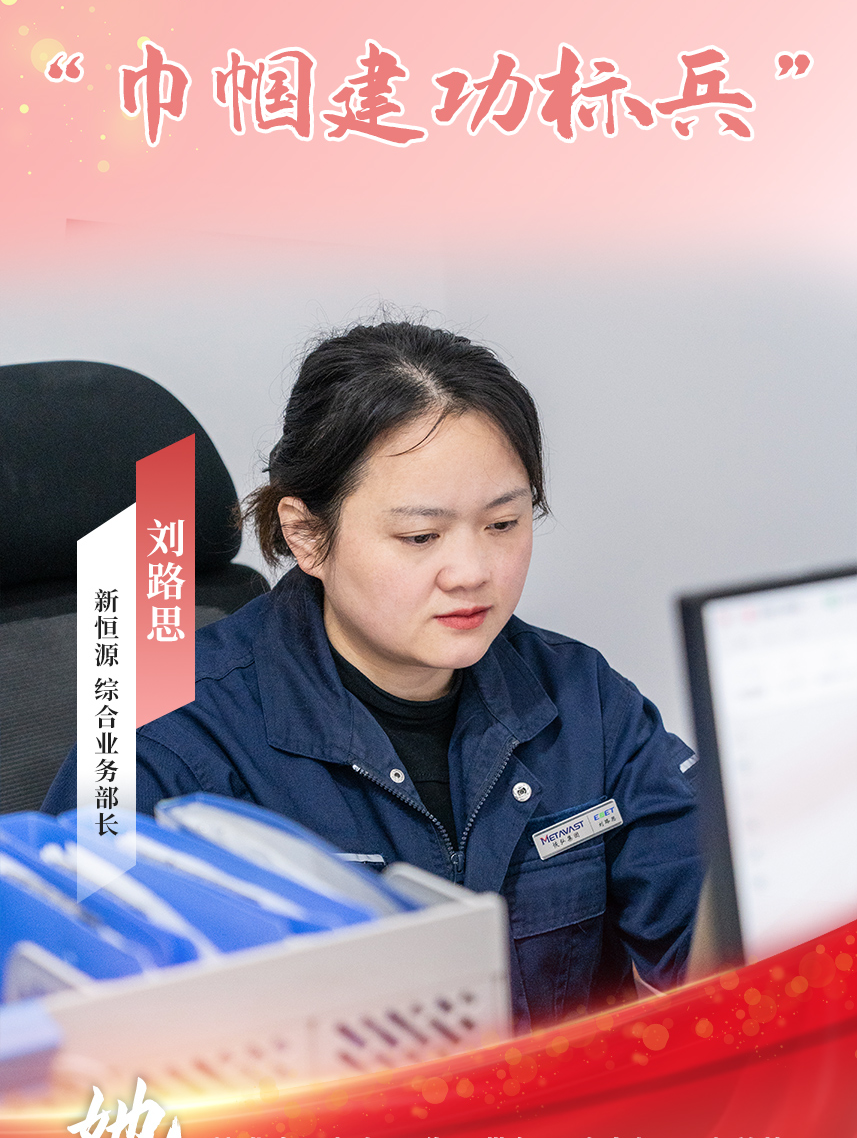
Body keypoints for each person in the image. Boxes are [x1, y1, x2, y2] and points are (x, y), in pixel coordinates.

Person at [44, 320, 704, 1030]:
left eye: (503, 524)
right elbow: (69, 1025)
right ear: (307, 535)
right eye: (420, 536)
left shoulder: (581, 698)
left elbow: (716, 925)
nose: (472, 572)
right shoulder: (162, 736)